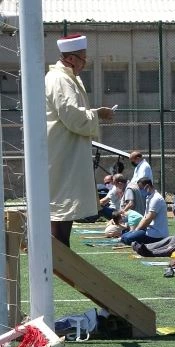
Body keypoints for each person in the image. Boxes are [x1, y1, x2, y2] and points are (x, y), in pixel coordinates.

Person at [46, 34, 115, 247]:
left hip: (66, 149)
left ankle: (60, 254)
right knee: (62, 205)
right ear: (72, 59)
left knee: (63, 204)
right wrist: (98, 114)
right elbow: (73, 116)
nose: (85, 63)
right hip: (63, 152)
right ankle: (60, 255)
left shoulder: (66, 78)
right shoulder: (61, 79)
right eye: (83, 58)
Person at [120, 178, 169, 245]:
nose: (140, 191)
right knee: (123, 236)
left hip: (156, 234)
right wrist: (135, 231)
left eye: (141, 188)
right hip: (149, 231)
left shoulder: (156, 199)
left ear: (147, 186)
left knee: (127, 238)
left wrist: (136, 230)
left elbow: (148, 218)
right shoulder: (149, 198)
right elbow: (145, 217)